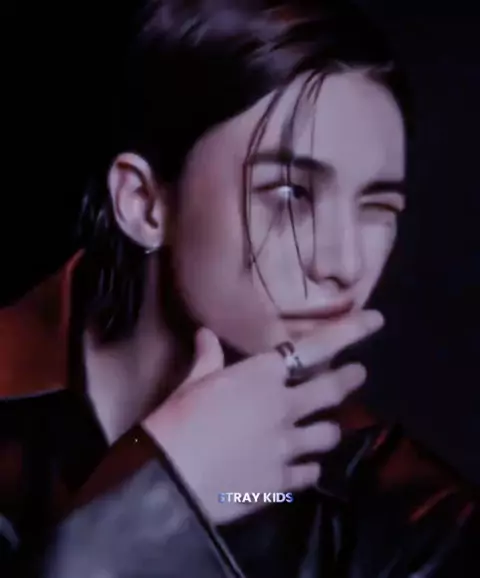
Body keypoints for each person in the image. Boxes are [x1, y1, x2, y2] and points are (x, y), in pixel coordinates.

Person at [0, 0, 477, 576]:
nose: (345, 264)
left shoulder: (413, 522)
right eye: (290, 194)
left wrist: (177, 499)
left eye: (377, 207)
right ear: (143, 203)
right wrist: (151, 501)